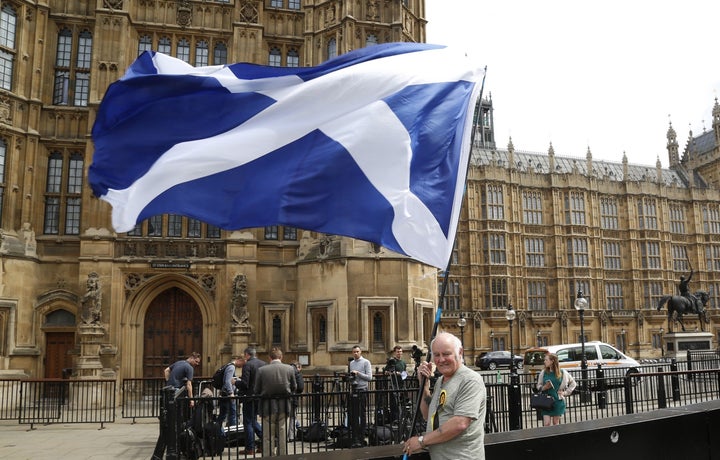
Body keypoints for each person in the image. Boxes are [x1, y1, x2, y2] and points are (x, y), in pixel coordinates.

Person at [405, 332, 486, 460]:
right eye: (437, 355)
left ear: (460, 352)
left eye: (446, 354)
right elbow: (428, 415)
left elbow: (460, 423)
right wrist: (424, 385)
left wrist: (421, 441)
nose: (441, 360)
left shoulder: (470, 380)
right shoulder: (440, 381)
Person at [152, 352, 201, 459]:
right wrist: (191, 399)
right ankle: (173, 445)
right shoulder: (189, 368)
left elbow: (166, 370)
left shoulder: (179, 363)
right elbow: (189, 384)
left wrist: (168, 382)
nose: (197, 364)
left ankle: (171, 443)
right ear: (192, 358)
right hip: (177, 392)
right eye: (196, 361)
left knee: (168, 416)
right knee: (175, 417)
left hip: (168, 390)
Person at [254, 347, 297, 456]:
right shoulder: (289, 369)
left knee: (268, 436)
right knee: (283, 435)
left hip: (267, 406)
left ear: (269, 358)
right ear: (281, 357)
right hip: (284, 405)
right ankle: (282, 456)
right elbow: (294, 387)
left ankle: (269, 456)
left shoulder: (262, 370)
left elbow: (256, 389)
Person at [535, 352, 577, 426]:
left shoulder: (562, 372)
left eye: (546, 360)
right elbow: (538, 386)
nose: (544, 361)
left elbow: (573, 383)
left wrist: (565, 393)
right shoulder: (543, 372)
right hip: (546, 401)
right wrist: (544, 387)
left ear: (552, 361)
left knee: (555, 423)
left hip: (557, 400)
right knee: (546, 424)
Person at [238, 347, 265, 455]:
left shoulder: (247, 365)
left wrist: (235, 382)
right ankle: (265, 443)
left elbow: (245, 383)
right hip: (260, 396)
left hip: (249, 397)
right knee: (253, 421)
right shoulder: (263, 363)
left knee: (248, 422)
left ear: (247, 355)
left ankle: (250, 448)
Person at [348, 345, 372, 447]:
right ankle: (355, 436)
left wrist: (358, 373)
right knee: (354, 414)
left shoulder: (366, 362)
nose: (355, 353)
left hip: (362, 390)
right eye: (354, 352)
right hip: (354, 390)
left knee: (362, 414)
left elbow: (369, 377)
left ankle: (362, 436)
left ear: (360, 352)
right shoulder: (351, 363)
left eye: (357, 351)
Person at [216, 355, 244, 428]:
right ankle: (232, 434)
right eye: (243, 363)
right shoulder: (231, 367)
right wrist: (231, 393)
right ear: (239, 360)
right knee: (232, 414)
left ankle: (217, 431)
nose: (242, 366)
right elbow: (227, 381)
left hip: (225, 393)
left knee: (223, 414)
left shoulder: (228, 366)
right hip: (228, 394)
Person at [384, 345, 407, 423]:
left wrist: (401, 374)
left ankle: (402, 418)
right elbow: (386, 371)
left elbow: (404, 372)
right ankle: (395, 419)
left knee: (402, 402)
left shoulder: (403, 362)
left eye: (400, 352)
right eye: (397, 352)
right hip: (394, 384)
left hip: (401, 384)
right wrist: (393, 373)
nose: (399, 353)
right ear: (394, 353)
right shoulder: (392, 361)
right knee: (394, 403)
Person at [288, 361, 304, 441]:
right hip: (293, 398)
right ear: (298, 367)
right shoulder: (297, 374)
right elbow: (300, 387)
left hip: (282, 398)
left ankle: (282, 436)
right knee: (292, 417)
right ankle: (291, 436)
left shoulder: (285, 370)